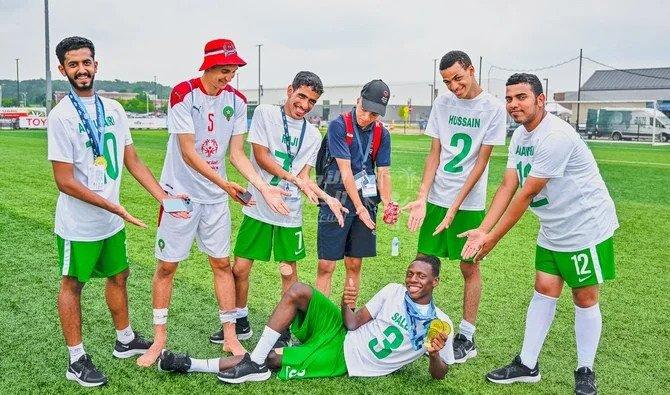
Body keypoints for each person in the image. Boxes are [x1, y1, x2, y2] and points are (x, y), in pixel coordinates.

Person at [460, 73, 618, 395]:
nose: (513, 105)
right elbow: (508, 185)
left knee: (584, 296)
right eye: (509, 99)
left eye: (521, 97)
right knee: (544, 289)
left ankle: (585, 370)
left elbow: (526, 193)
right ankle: (527, 364)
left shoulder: (555, 136)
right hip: (553, 226)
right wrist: (483, 229)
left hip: (583, 226)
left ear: (540, 100)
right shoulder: (520, 137)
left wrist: (491, 240)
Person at [138, 38, 289, 366]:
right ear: (207, 66)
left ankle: (231, 336)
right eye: (224, 69)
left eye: (233, 70)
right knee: (167, 267)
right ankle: (158, 339)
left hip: (215, 200)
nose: (229, 76)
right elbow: (188, 151)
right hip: (180, 196)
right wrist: (225, 183)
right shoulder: (182, 94)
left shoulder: (237, 100)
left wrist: (261, 187)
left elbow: (236, 153)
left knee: (221, 264)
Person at [48, 36, 189, 387]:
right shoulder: (61, 116)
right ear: (62, 69)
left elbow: (133, 160)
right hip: (79, 225)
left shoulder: (114, 109)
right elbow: (64, 181)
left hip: (111, 221)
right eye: (73, 64)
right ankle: (76, 359)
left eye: (86, 62)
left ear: (96, 64)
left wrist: (164, 198)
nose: (81, 69)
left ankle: (124, 340)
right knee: (72, 285)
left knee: (119, 276)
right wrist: (114, 205)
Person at [157, 255, 455, 383]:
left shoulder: (441, 324)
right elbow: (353, 323)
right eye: (411, 273)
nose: (413, 280)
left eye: (421, 276)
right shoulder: (393, 290)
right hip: (343, 332)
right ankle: (253, 361)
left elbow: (440, 374)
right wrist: (345, 303)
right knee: (299, 290)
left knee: (275, 359)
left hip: (346, 358)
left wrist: (433, 354)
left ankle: (191, 364)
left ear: (435, 282)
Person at [210, 71, 347, 348]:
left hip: (288, 211)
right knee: (241, 267)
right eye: (301, 96)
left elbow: (305, 177)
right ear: (289, 90)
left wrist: (325, 196)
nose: (305, 105)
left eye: (312, 101)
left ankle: (282, 331)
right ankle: (241, 319)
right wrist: (295, 180)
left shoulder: (312, 134)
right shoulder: (265, 113)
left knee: (287, 270)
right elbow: (261, 157)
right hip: (258, 205)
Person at [403, 50, 506, 363]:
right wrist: (423, 196)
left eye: (458, 78)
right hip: (437, 198)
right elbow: (434, 153)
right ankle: (418, 327)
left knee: (468, 266)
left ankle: (467, 335)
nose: (453, 86)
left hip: (469, 204)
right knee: (424, 264)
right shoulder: (442, 103)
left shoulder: (493, 107)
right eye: (447, 81)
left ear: (472, 71)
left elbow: (480, 164)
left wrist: (454, 208)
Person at [315, 79, 399, 303]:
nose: (368, 117)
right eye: (365, 110)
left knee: (354, 263)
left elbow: (383, 172)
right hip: (336, 199)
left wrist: (388, 204)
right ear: (358, 100)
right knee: (326, 265)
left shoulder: (382, 133)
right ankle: (321, 321)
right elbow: (345, 170)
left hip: (366, 202)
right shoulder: (339, 125)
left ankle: (348, 316)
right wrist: (359, 208)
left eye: (374, 114)